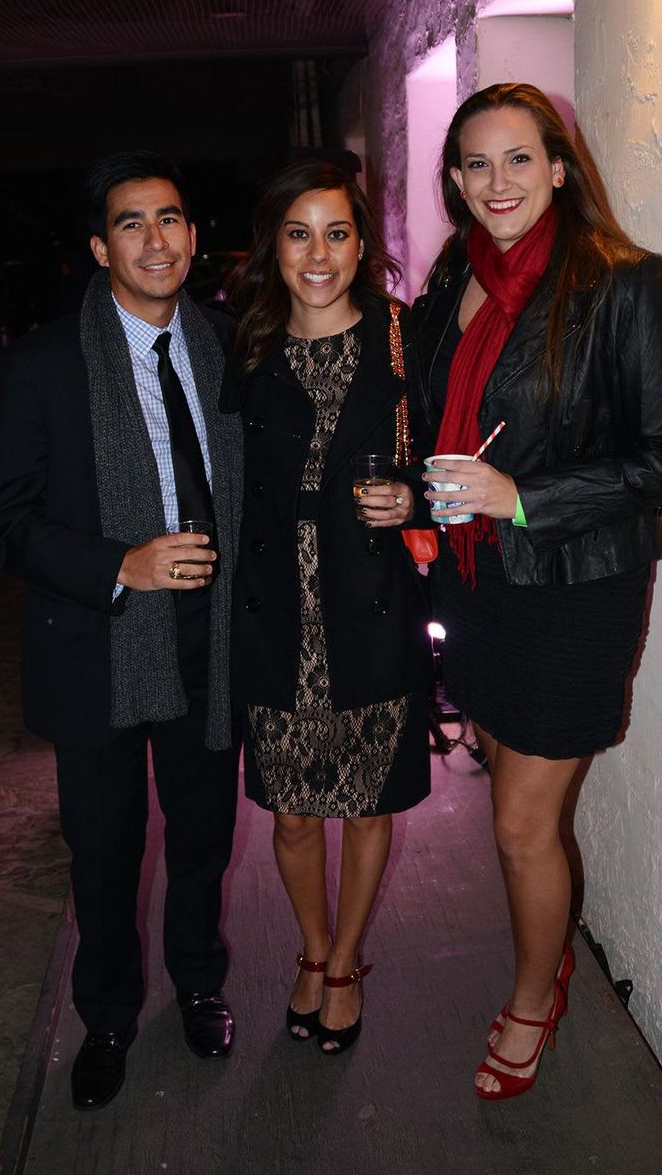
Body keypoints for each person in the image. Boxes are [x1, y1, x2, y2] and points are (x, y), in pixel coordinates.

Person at [414, 84, 662, 1101]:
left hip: (575, 583)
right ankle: (543, 959)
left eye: (514, 159)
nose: (493, 183)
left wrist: (521, 496)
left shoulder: (626, 283)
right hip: (482, 577)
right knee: (502, 778)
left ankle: (535, 993)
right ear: (452, 180)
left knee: (516, 824)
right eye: (472, 164)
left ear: (556, 165)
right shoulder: (456, 274)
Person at [0, 151, 243, 1110]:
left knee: (204, 836)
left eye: (170, 218)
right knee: (105, 848)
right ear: (100, 248)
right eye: (132, 223)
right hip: (99, 645)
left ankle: (200, 981)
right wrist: (117, 566)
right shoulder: (45, 363)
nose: (156, 238)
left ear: (193, 234)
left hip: (209, 642)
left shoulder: (226, 344)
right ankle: (110, 1015)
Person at [223, 161, 431, 1054]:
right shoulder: (245, 350)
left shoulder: (403, 339)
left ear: (362, 244)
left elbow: (454, 449)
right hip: (274, 614)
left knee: (365, 803)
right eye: (299, 233)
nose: (319, 254)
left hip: (372, 603)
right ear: (274, 245)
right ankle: (310, 950)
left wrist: (416, 496)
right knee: (294, 812)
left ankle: (344, 962)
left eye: (337, 233)